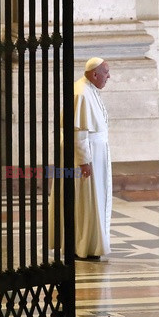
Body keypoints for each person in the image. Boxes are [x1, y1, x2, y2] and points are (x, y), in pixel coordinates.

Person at [49, 57, 112, 261]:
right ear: (95, 74)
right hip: (85, 158)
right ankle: (81, 245)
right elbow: (78, 132)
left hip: (96, 154)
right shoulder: (81, 92)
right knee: (84, 201)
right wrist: (84, 162)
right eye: (106, 72)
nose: (109, 77)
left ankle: (90, 244)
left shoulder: (90, 90)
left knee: (93, 201)